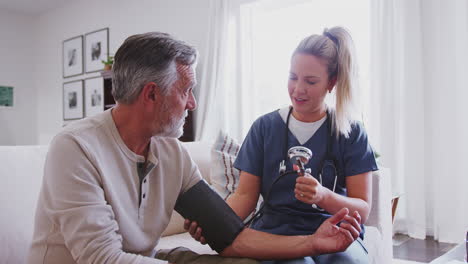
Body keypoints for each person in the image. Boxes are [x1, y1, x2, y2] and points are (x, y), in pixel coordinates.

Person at [28, 32, 363, 264]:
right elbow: (103, 259)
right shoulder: (74, 148)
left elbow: (231, 237)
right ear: (151, 95)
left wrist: (313, 243)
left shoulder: (172, 154)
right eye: (186, 89)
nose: (193, 102)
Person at [186, 27, 378, 263]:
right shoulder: (264, 128)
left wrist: (323, 196)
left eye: (310, 81)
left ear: (332, 82)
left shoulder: (351, 132)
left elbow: (363, 210)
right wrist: (213, 224)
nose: (298, 89)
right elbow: (244, 196)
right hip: (276, 232)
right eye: (292, 77)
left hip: (335, 230)